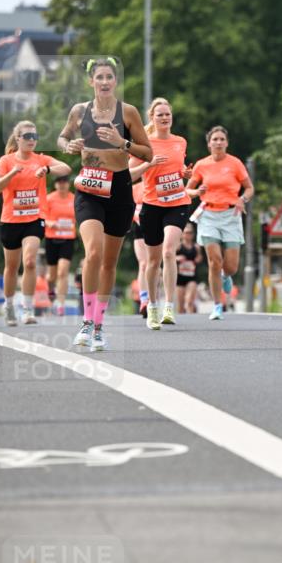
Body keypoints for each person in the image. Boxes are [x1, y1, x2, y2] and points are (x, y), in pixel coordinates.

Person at [57, 57, 152, 350]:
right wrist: (69, 146)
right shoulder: (79, 111)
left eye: (109, 76)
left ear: (115, 81)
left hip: (120, 190)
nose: (105, 82)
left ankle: (99, 325)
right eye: (99, 77)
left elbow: (147, 153)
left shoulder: (129, 113)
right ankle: (86, 322)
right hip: (89, 188)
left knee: (109, 262)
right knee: (93, 252)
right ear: (91, 82)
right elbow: (62, 137)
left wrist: (121, 142)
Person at [0, 120, 71, 326]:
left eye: (34, 137)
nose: (32, 140)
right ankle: (9, 306)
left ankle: (27, 308)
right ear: (18, 139)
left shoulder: (41, 159)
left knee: (30, 261)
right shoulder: (6, 161)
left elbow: (66, 167)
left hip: (35, 218)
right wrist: (11, 173)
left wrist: (47, 171)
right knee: (11, 266)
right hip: (10, 220)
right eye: (27, 137)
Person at [129, 98, 192, 329]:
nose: (165, 118)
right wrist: (149, 163)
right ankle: (152, 306)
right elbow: (129, 173)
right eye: (160, 115)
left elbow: (177, 169)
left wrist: (184, 173)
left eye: (167, 114)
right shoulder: (144, 144)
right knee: (152, 261)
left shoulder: (180, 142)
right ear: (152, 118)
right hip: (152, 205)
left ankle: (169, 306)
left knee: (168, 252)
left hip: (177, 202)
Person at [186, 125, 254, 321]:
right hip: (208, 215)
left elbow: (249, 188)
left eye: (221, 139)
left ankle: (226, 276)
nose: (218, 142)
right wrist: (196, 192)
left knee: (231, 266)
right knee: (214, 261)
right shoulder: (201, 165)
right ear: (209, 144)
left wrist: (243, 199)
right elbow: (187, 190)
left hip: (231, 215)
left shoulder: (235, 164)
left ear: (227, 143)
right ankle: (217, 306)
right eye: (214, 139)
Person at [44, 175, 76, 316]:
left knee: (63, 272)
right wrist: (49, 223)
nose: (62, 185)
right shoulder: (49, 198)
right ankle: (50, 290)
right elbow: (42, 215)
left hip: (68, 238)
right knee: (52, 275)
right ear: (55, 184)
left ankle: (61, 304)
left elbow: (81, 214)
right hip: (52, 238)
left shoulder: (74, 199)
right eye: (59, 182)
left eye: (64, 182)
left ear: (68, 184)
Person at [130, 173, 148, 318]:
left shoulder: (157, 187)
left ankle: (154, 299)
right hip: (139, 229)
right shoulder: (134, 188)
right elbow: (128, 208)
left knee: (154, 266)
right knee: (143, 264)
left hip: (157, 229)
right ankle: (144, 299)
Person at [176, 223, 202, 314]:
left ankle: (191, 321)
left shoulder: (196, 247)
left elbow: (199, 258)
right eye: (186, 232)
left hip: (192, 277)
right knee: (180, 305)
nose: (188, 235)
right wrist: (177, 258)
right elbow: (168, 258)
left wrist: (197, 260)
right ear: (182, 234)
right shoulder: (178, 246)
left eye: (190, 233)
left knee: (189, 301)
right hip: (179, 278)